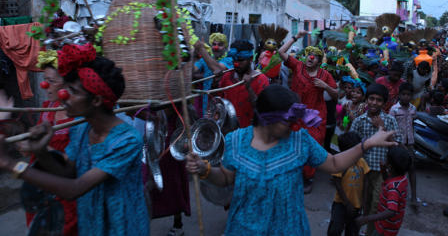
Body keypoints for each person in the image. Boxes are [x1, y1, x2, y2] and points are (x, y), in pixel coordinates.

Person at [185, 85, 397, 236]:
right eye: (289, 121)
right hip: (244, 228)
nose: (295, 126)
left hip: (289, 228)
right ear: (268, 118)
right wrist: (205, 170)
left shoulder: (300, 141)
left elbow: (333, 164)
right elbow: (226, 178)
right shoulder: (235, 140)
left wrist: (367, 144)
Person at [0, 43, 149, 236]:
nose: (63, 96)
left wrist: (10, 164)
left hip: (123, 225)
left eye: (73, 92)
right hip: (90, 221)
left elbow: (74, 189)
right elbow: (70, 172)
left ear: (95, 101)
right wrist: (42, 152)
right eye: (66, 88)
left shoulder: (127, 140)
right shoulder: (81, 126)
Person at [18, 50, 77, 235]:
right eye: (45, 80)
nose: (44, 86)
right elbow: (32, 151)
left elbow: (76, 161)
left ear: (68, 84)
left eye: (51, 81)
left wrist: (43, 148)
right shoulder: (47, 108)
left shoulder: (79, 117)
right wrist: (26, 147)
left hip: (65, 186)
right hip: (41, 185)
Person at [278, 31, 338, 193]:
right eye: (308, 55)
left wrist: (325, 87)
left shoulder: (325, 75)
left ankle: (308, 177)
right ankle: (295, 174)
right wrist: (295, 37)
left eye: (314, 56)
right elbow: (281, 52)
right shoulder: (297, 65)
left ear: (319, 61)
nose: (310, 58)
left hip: (315, 116)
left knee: (312, 145)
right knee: (293, 143)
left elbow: (336, 94)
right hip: (296, 113)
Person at [350, 83, 402, 236]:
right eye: (371, 99)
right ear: (366, 100)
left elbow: (397, 143)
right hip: (362, 170)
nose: (374, 103)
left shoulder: (390, 120)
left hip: (382, 172)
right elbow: (352, 144)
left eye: (378, 100)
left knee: (376, 205)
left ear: (384, 103)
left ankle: (369, 232)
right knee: (359, 202)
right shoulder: (359, 121)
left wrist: (382, 128)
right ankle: (354, 231)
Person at [355, 146, 411, 236]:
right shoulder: (401, 178)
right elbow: (387, 180)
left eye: (386, 159)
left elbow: (391, 211)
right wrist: (383, 171)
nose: (384, 160)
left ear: (390, 166)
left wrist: (367, 218)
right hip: (387, 225)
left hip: (386, 229)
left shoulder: (394, 188)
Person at [219, 40, 269, 128]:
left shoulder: (261, 79)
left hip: (250, 131)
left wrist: (249, 88)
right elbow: (218, 103)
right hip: (228, 131)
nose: (236, 64)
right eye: (234, 60)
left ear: (251, 58)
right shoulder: (227, 76)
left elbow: (262, 108)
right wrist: (215, 82)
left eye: (241, 60)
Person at [328, 132, 370, 236]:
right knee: (335, 229)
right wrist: (347, 203)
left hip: (357, 205)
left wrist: (364, 203)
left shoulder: (362, 162)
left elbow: (366, 182)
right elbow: (337, 184)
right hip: (341, 204)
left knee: (352, 231)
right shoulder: (340, 161)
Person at [389, 82, 417, 207]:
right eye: (404, 94)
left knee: (411, 169)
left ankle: (414, 196)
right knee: (396, 170)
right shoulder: (394, 109)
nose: (406, 97)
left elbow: (413, 124)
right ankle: (394, 195)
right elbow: (390, 127)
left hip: (409, 143)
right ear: (399, 95)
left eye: (409, 95)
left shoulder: (413, 109)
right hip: (397, 144)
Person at [193, 34, 233, 115]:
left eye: (220, 45)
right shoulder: (204, 60)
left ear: (225, 47)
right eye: (214, 44)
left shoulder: (229, 59)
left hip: (223, 100)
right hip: (206, 100)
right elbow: (193, 71)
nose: (216, 47)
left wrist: (202, 50)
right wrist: (193, 53)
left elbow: (218, 69)